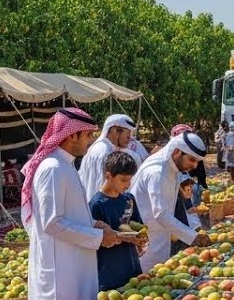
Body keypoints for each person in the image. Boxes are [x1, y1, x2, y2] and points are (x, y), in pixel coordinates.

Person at [22, 108, 121, 300]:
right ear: (71, 135)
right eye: (87, 135)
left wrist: (94, 224)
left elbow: (68, 212)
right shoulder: (53, 168)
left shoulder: (65, 164)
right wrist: (97, 238)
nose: (91, 141)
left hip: (74, 260)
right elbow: (52, 223)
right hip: (61, 266)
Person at [131, 130, 210, 271]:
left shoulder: (171, 167)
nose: (195, 166)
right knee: (146, 280)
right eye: (192, 160)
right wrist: (192, 236)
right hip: (148, 239)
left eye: (197, 161)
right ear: (177, 152)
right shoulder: (157, 172)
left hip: (160, 235)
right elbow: (160, 213)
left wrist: (193, 228)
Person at [89, 151, 145, 291]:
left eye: (130, 179)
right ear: (108, 176)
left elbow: (137, 227)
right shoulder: (97, 205)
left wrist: (141, 238)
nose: (127, 184)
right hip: (109, 274)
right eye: (123, 180)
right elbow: (94, 240)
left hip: (132, 269)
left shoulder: (129, 199)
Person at [78, 114, 139, 201]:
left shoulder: (99, 148)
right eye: (128, 133)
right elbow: (102, 184)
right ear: (115, 130)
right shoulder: (105, 153)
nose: (129, 138)